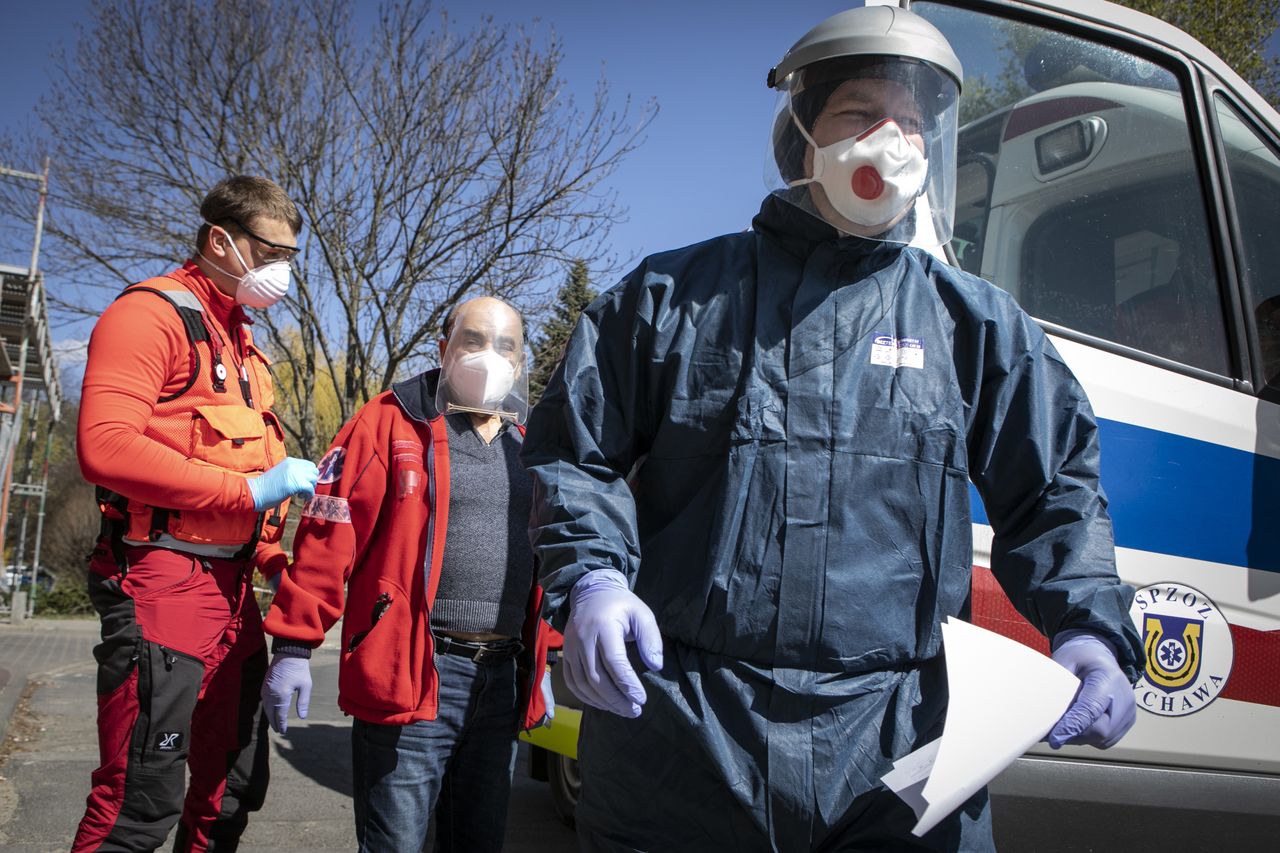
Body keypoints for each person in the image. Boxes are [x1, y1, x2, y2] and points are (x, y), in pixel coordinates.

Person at [521, 6, 1143, 851]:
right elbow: (574, 453)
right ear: (803, 134)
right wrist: (592, 576)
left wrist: (1090, 627)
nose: (892, 140)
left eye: (913, 122)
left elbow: (1056, 486)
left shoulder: (976, 328)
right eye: (861, 113)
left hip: (902, 752)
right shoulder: (672, 300)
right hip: (685, 743)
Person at [73, 175, 319, 852]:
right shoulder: (151, 315)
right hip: (162, 586)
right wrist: (248, 495)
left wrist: (272, 550)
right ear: (219, 240)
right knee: (137, 804)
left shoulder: (245, 347)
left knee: (231, 791)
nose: (282, 272)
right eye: (271, 253)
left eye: (291, 258)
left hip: (235, 597)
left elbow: (248, 467)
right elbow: (105, 444)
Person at [260, 295, 553, 853]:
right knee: (396, 843)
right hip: (415, 671)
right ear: (443, 349)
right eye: (474, 340)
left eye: (506, 345)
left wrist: (544, 656)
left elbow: (546, 554)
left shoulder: (530, 442)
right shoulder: (390, 420)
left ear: (520, 362)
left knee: (478, 841)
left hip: (501, 680)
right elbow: (328, 534)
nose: (490, 356)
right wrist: (294, 646)